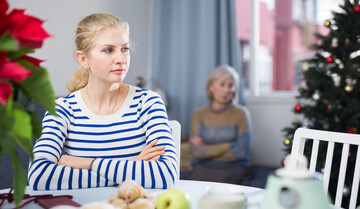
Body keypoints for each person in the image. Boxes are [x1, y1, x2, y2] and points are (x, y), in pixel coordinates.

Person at [28, 13, 177, 190]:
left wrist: (86, 163)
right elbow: (39, 176)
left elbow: (165, 174)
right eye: (108, 50)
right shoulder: (61, 109)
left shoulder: (148, 103)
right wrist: (128, 169)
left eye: (125, 49)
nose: (121, 59)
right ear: (84, 59)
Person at [188, 65, 252, 184]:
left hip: (235, 168)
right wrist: (229, 146)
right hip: (203, 167)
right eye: (222, 84)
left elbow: (241, 152)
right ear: (211, 87)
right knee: (197, 180)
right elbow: (197, 152)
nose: (227, 90)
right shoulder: (199, 115)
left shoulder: (241, 114)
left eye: (231, 86)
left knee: (222, 181)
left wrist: (206, 149)